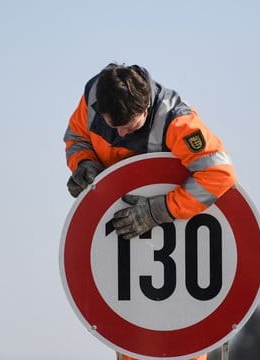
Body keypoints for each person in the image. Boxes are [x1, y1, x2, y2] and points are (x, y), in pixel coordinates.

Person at [63, 63, 236, 360]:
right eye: (111, 123)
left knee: (185, 346)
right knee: (133, 341)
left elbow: (218, 173)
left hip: (181, 255)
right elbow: (76, 139)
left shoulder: (177, 121)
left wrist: (159, 211)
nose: (118, 132)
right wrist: (83, 164)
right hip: (125, 256)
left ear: (146, 106)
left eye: (128, 126)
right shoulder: (94, 97)